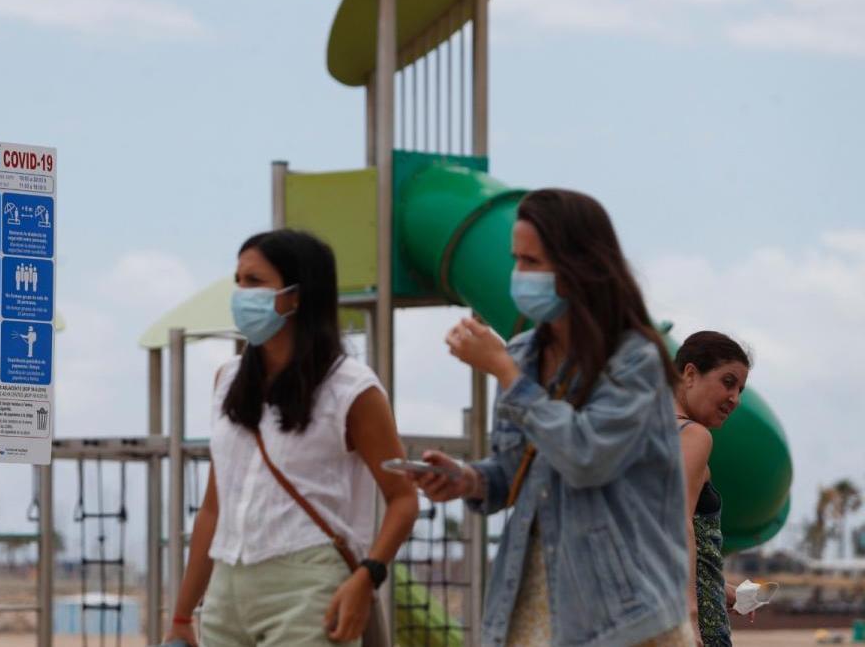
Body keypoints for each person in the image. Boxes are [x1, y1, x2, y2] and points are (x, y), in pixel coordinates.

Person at [412, 189, 694, 646]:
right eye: (516, 260)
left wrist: (505, 373)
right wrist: (468, 480)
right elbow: (518, 473)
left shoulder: (633, 360)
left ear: (580, 266)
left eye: (532, 262)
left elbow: (585, 456)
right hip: (533, 604)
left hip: (623, 617)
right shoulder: (524, 355)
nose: (519, 275)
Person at [164, 229, 418, 647]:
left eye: (256, 282)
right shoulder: (228, 380)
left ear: (297, 296)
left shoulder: (352, 389)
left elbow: (404, 498)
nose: (241, 293)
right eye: (239, 281)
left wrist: (366, 577)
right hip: (226, 590)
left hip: (309, 584)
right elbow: (213, 507)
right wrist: (181, 613)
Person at [674, 331, 752, 646]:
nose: (735, 398)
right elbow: (677, 526)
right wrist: (691, 618)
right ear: (690, 374)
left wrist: (723, 590)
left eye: (741, 389)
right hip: (698, 626)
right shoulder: (692, 436)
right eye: (728, 382)